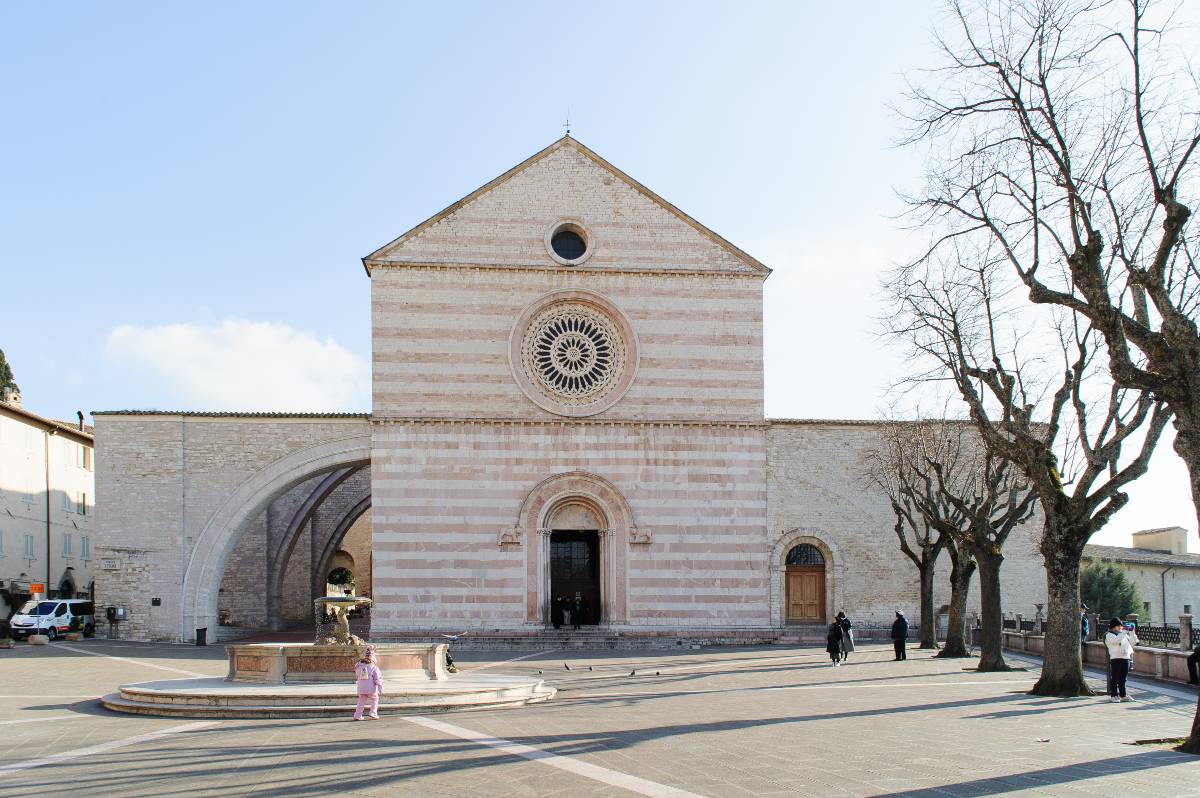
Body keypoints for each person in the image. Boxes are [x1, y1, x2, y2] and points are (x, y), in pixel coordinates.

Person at [1104, 617, 1139, 703]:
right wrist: (1124, 631)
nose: (1120, 627)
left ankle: (1123, 695)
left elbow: (1134, 642)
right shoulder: (1109, 635)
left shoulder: (1124, 634)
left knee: (1123, 679)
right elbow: (1116, 641)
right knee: (1115, 678)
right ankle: (1114, 695)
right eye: (1118, 626)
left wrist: (1132, 632)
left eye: (1121, 626)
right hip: (1116, 659)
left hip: (1125, 658)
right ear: (1113, 626)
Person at [353, 644, 383, 720]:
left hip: (361, 687)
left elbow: (357, 674)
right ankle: (373, 713)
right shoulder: (373, 667)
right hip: (371, 688)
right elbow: (378, 678)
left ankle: (357, 715)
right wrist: (380, 687)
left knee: (361, 700)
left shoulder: (359, 665)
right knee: (374, 699)